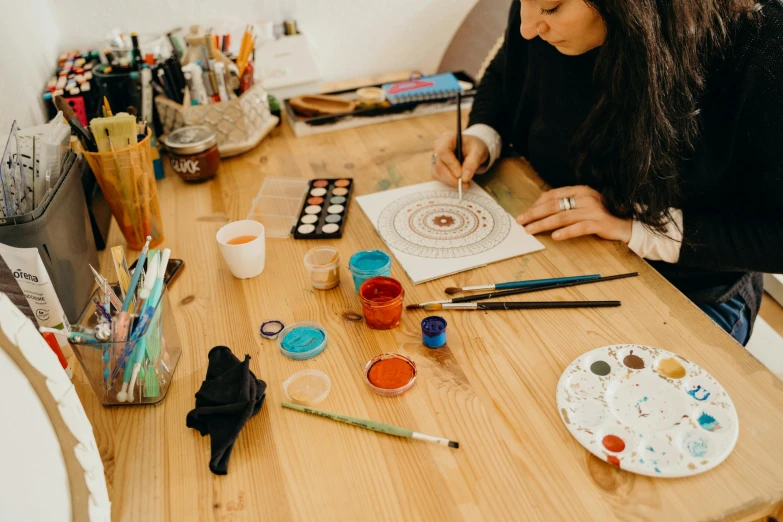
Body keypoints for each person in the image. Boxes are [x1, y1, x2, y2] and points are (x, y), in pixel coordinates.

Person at [431, 0, 783, 345]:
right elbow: (508, 65)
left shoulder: (762, 47)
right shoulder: (534, 17)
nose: (527, 27)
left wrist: (636, 224)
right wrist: (483, 134)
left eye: (552, 9)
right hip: (558, 244)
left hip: (684, 285)